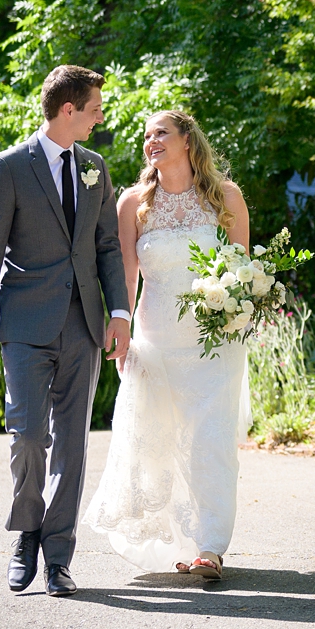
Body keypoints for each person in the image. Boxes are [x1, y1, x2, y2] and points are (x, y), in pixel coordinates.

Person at [0, 65, 131, 597]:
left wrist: (120, 314)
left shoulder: (95, 168)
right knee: (29, 436)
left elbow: (107, 247)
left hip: (82, 325)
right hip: (25, 327)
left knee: (74, 448)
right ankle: (26, 532)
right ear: (68, 110)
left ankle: (58, 557)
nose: (100, 116)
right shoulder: (9, 167)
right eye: (95, 108)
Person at [81, 110, 251, 580]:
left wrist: (237, 315)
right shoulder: (135, 203)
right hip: (155, 339)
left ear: (187, 140)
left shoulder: (225, 197)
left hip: (215, 343)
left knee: (210, 441)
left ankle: (211, 547)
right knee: (158, 442)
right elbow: (126, 278)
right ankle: (174, 544)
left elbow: (242, 271)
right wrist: (122, 330)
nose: (151, 141)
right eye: (146, 136)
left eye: (161, 133)